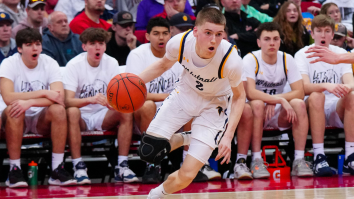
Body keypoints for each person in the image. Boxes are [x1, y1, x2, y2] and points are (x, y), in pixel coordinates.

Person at [136, 8, 245, 198]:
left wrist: (228, 136)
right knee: (148, 152)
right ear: (196, 31)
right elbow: (162, 65)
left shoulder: (231, 60)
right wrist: (134, 81)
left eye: (219, 34)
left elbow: (239, 97)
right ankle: (189, 137)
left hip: (215, 106)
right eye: (208, 33)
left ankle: (156, 194)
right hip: (185, 94)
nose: (213, 40)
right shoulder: (179, 43)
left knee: (187, 176)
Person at [64, 28, 155, 184]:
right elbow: (67, 101)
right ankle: (78, 166)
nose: (98, 47)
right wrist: (91, 100)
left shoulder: (111, 62)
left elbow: (117, 95)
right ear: (84, 47)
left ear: (105, 46)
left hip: (103, 114)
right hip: (81, 116)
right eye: (93, 44)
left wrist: (114, 104)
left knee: (125, 110)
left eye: (101, 43)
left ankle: (122, 165)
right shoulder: (74, 65)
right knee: (72, 112)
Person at [234, 22, 313, 180]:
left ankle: (298, 159)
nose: (272, 43)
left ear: (280, 41)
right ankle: (256, 159)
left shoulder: (287, 59)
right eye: (267, 39)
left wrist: (275, 101)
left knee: (298, 103)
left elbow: (299, 91)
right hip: (257, 113)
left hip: (277, 112)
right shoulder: (250, 59)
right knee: (256, 104)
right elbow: (250, 93)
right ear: (258, 42)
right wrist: (278, 100)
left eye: (276, 39)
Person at [0, 28, 76, 188]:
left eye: (37, 44)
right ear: (20, 48)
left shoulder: (50, 63)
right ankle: (14, 169)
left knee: (59, 110)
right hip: (15, 117)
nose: (35, 48)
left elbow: (59, 98)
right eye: (29, 45)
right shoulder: (9, 63)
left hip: (41, 119)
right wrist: (42, 92)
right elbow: (8, 97)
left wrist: (30, 102)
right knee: (15, 109)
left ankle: (57, 168)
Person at [295, 15, 354, 177]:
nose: (323, 35)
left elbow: (351, 82)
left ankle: (350, 156)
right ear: (312, 34)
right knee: (316, 96)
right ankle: (319, 156)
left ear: (332, 34)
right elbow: (303, 88)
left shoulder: (341, 53)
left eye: (327, 31)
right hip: (312, 106)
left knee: (352, 96)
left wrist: (345, 87)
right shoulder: (302, 54)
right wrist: (326, 86)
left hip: (336, 106)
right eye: (319, 31)